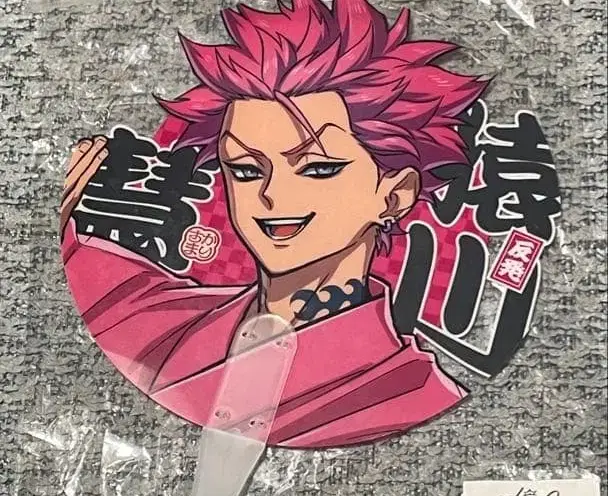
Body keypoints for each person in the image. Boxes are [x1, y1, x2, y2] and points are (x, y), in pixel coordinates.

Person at [61, 0, 486, 448]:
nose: (272, 196)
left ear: (394, 195)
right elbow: (85, 265)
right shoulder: (151, 317)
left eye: (319, 169)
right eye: (246, 170)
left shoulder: (410, 393)